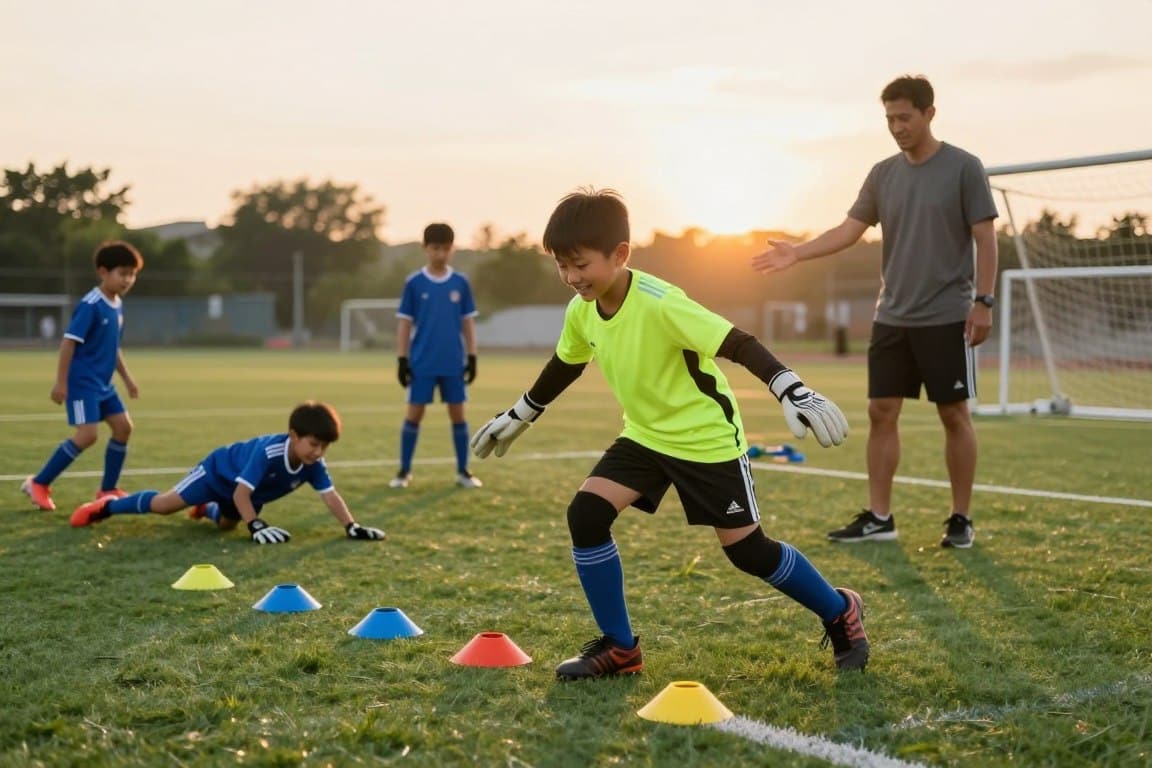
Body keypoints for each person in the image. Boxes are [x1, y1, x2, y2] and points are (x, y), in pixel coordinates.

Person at [471, 189, 867, 680]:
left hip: (705, 439)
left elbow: (737, 342)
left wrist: (791, 389)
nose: (572, 278)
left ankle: (838, 610)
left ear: (619, 255)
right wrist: (522, 412)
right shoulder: (582, 311)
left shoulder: (661, 303)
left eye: (580, 264)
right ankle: (620, 648)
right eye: (561, 266)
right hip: (644, 437)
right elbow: (566, 364)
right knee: (587, 515)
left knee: (747, 551)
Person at [751, 75, 999, 550]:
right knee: (881, 411)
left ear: (929, 113)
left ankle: (961, 519)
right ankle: (880, 518)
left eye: (904, 117)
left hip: (947, 314)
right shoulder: (882, 173)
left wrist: (983, 302)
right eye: (889, 119)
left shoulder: (965, 167)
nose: (897, 127)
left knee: (953, 414)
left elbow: (985, 238)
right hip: (893, 317)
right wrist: (797, 253)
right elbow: (849, 230)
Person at [69, 401, 386, 543]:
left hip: (241, 495)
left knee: (224, 526)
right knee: (163, 506)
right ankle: (107, 506)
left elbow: (330, 496)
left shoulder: (313, 464)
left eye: (324, 447)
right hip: (217, 474)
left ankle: (206, 509)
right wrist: (257, 524)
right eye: (314, 444)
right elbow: (241, 493)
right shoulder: (268, 452)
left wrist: (351, 526)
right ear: (293, 435)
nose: (318, 453)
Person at [22, 241, 144, 511]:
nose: (128, 279)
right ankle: (39, 483)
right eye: (122, 273)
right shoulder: (91, 305)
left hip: (103, 385)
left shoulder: (117, 305)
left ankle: (108, 489)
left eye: (132, 274)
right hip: (82, 384)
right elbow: (68, 342)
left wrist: (127, 379)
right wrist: (61, 382)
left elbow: (113, 348)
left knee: (124, 428)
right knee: (87, 435)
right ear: (103, 272)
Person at [390, 222, 482, 489]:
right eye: (435, 248)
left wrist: (472, 357)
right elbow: (405, 323)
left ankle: (463, 471)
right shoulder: (415, 283)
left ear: (452, 250)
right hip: (422, 363)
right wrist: (402, 359)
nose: (440, 254)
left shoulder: (460, 283)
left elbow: (467, 322)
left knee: (458, 416)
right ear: (425, 249)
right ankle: (404, 471)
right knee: (414, 415)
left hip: (453, 362)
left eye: (445, 248)